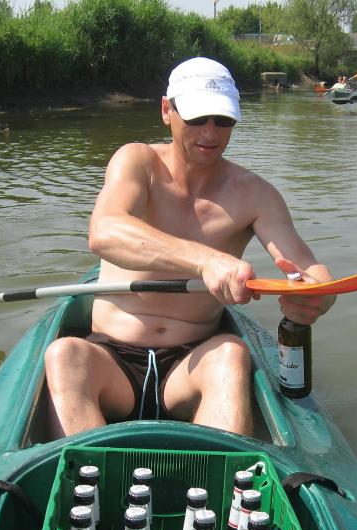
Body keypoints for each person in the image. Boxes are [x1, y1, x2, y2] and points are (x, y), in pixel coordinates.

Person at [44, 57, 335, 439]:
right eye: (197, 118)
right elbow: (104, 232)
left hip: (191, 365)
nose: (210, 133)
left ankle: (221, 469)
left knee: (232, 353)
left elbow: (310, 269)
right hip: (111, 359)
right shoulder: (138, 161)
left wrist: (318, 297)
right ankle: (87, 469)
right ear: (167, 110)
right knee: (65, 354)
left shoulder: (256, 194)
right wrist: (205, 260)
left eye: (223, 120)